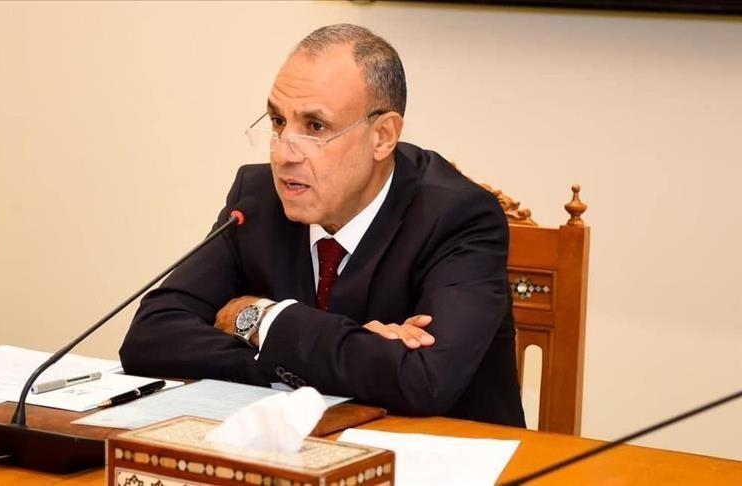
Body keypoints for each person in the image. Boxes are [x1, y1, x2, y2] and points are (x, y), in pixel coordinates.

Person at [120, 24, 525, 427]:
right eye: (278, 121)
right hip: (303, 449)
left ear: (383, 137)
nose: (283, 154)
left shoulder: (459, 217)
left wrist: (259, 317)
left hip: (446, 453)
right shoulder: (258, 199)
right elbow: (151, 336)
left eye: (315, 127)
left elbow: (425, 381)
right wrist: (304, 361)